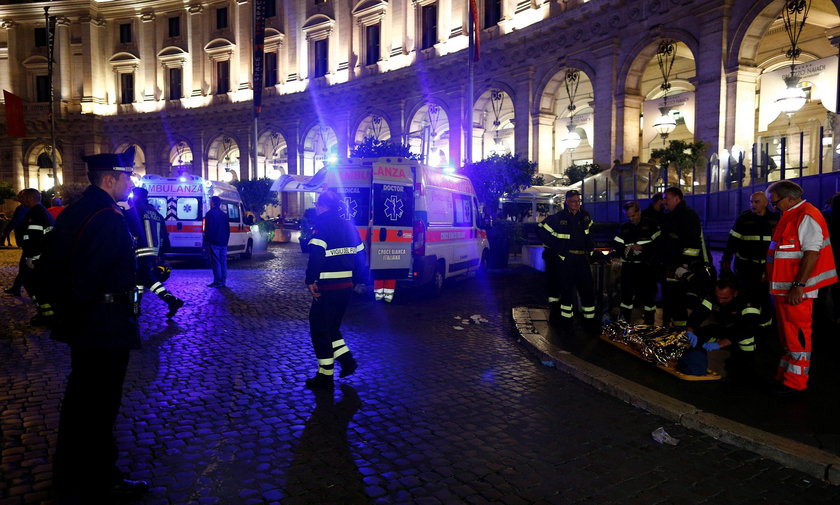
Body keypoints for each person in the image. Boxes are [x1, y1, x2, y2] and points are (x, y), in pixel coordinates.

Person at [41, 146, 149, 503]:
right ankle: (101, 479)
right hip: (103, 326)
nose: (131, 181)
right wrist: (88, 314)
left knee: (81, 404)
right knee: (99, 408)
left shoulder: (77, 212)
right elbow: (90, 276)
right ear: (110, 178)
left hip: (88, 325)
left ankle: (70, 474)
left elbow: (55, 267)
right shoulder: (105, 216)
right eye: (127, 175)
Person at [765, 180, 837, 396]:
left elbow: (812, 253)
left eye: (774, 202)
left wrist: (799, 286)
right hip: (785, 289)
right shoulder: (791, 215)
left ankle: (796, 383)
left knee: (797, 334)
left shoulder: (806, 215)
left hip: (795, 290)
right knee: (789, 335)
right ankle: (786, 376)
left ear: (789, 198)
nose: (773, 207)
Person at [304, 190, 366, 389]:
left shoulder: (321, 225)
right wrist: (357, 279)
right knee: (331, 328)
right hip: (345, 287)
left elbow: (316, 255)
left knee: (319, 329)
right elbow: (360, 255)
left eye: (317, 204)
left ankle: (325, 375)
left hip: (327, 286)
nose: (316, 207)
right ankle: (347, 360)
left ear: (322, 206)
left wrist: (310, 280)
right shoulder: (349, 226)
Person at [537, 189, 599, 332]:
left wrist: (591, 251)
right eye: (573, 201)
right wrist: (559, 249)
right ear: (567, 202)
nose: (576, 204)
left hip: (582, 258)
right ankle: (567, 323)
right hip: (566, 260)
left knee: (587, 289)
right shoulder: (559, 217)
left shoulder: (585, 216)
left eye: (578, 201)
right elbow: (541, 231)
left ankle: (589, 322)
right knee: (566, 291)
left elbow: (590, 235)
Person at [685, 276, 760, 382]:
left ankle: (745, 373)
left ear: (735, 293)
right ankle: (695, 364)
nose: (720, 301)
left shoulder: (747, 302)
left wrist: (719, 344)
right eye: (718, 297)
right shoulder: (712, 296)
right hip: (724, 327)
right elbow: (698, 314)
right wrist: (690, 330)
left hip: (745, 332)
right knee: (697, 334)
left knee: (746, 342)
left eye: (725, 298)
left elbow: (747, 329)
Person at [720, 192, 778, 324]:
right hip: (745, 266)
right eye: (751, 202)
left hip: (765, 267)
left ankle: (765, 323)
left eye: (756, 202)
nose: (753, 205)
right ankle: (746, 323)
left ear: (765, 203)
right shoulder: (744, 219)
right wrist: (726, 260)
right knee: (746, 295)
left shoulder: (775, 219)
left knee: (764, 295)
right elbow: (732, 241)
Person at [126, 187, 184, 318]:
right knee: (140, 280)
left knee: (146, 279)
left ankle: (172, 301)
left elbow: (126, 228)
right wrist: (161, 253)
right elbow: (164, 233)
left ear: (136, 197)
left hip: (140, 250)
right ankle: (136, 308)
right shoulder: (156, 213)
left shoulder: (135, 211)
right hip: (154, 251)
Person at [660, 186, 707, 328]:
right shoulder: (671, 216)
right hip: (670, 267)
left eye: (666, 199)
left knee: (678, 303)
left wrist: (684, 265)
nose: (664, 202)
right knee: (670, 301)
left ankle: (680, 334)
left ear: (676, 198)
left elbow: (693, 244)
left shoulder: (687, 216)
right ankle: (672, 331)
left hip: (680, 268)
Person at [611, 201, 660, 324]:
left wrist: (644, 249)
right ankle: (625, 321)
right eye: (628, 216)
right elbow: (616, 245)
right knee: (626, 295)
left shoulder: (652, 224)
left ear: (639, 212)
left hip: (646, 266)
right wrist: (620, 254)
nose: (631, 219)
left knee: (648, 295)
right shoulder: (625, 228)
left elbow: (659, 245)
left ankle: (649, 322)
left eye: (633, 215)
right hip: (629, 266)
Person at [18, 188, 56, 326]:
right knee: (38, 286)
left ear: (30, 198)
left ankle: (46, 315)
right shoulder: (40, 211)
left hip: (37, 258)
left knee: (37, 286)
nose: (20, 200)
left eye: (22, 197)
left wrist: (31, 257)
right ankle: (46, 313)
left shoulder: (36, 214)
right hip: (41, 256)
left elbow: (34, 237)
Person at [3, 192, 28, 295]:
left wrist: (5, 232)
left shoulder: (22, 208)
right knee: (25, 265)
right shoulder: (38, 208)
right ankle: (16, 287)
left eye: (20, 196)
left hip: (28, 241)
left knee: (25, 265)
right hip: (29, 241)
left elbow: (15, 221)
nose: (18, 198)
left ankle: (17, 287)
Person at [821, 192, 840, 326]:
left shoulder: (826, 217)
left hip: (827, 258)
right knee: (837, 291)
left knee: (824, 290)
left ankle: (824, 318)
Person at [203, 195, 230, 287]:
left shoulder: (209, 214)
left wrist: (207, 240)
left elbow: (208, 229)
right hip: (223, 242)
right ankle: (223, 281)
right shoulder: (224, 215)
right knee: (223, 262)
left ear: (213, 203)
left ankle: (217, 281)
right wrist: (226, 240)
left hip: (214, 242)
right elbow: (227, 229)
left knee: (216, 262)